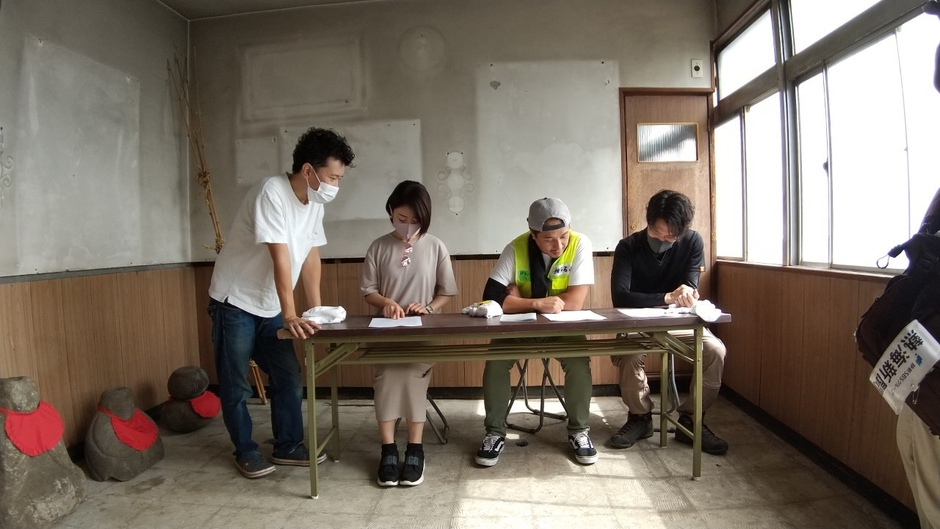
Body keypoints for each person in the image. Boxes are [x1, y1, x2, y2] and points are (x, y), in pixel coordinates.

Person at [207, 127, 355, 479]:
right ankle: (245, 450)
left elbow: (311, 256)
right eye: (333, 177)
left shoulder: (314, 203)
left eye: (340, 178)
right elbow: (281, 258)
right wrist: (290, 314)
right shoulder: (271, 192)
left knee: (288, 376)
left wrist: (316, 311)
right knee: (236, 384)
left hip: (270, 303)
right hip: (235, 300)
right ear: (308, 170)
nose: (336, 185)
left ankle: (288, 445)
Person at [475, 197, 598, 467]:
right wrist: (537, 304)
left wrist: (518, 300)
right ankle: (494, 432)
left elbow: (575, 302)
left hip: (563, 328)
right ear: (533, 235)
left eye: (563, 236)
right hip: (521, 327)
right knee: (495, 361)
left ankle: (579, 431)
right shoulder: (515, 248)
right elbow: (492, 298)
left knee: (579, 362)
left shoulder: (580, 243)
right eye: (548, 239)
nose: (558, 245)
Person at [609, 189, 729, 455]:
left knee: (715, 350)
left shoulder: (692, 242)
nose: (662, 240)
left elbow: (690, 285)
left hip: (678, 322)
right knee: (629, 354)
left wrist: (688, 292)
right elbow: (620, 296)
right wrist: (666, 297)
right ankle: (640, 417)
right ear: (648, 222)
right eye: (656, 232)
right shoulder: (628, 247)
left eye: (670, 237)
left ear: (682, 231)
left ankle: (692, 420)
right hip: (636, 324)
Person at [360, 180, 457, 487]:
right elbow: (369, 291)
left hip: (423, 334)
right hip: (386, 334)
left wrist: (428, 307)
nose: (408, 226)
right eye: (402, 218)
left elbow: (446, 292)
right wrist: (386, 303)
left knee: (412, 375)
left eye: (415, 220)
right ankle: (388, 449)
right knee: (387, 375)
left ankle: (415, 448)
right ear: (391, 212)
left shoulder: (436, 246)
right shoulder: (378, 247)